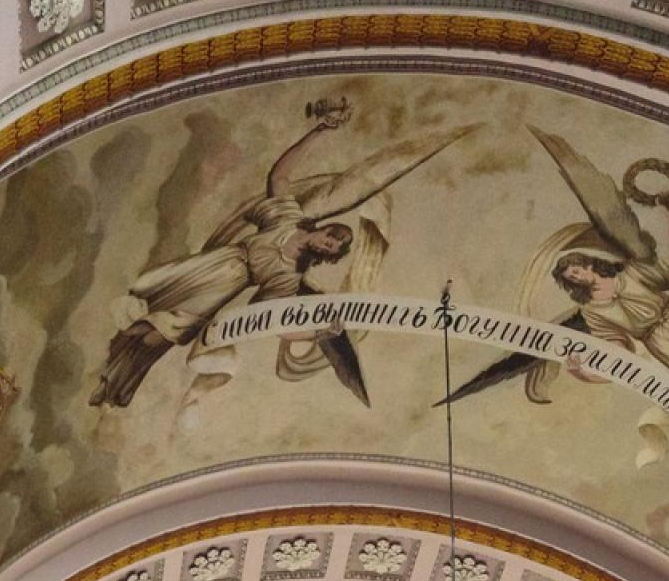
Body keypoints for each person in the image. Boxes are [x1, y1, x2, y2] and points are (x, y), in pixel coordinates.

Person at [444, 131, 669, 494]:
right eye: (570, 276)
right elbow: (619, 354)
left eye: (577, 268)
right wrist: (584, 371)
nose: (577, 275)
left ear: (590, 263)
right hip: (666, 343)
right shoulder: (593, 312)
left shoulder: (633, 273)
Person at [89, 104, 476, 410]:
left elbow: (274, 321)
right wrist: (318, 132)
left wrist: (318, 332)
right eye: (331, 238)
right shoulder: (285, 218)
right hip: (213, 263)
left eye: (332, 250)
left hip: (224, 285)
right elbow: (280, 176)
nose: (326, 245)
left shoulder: (288, 276)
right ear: (325, 229)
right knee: (149, 300)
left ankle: (117, 381)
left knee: (164, 333)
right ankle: (111, 360)